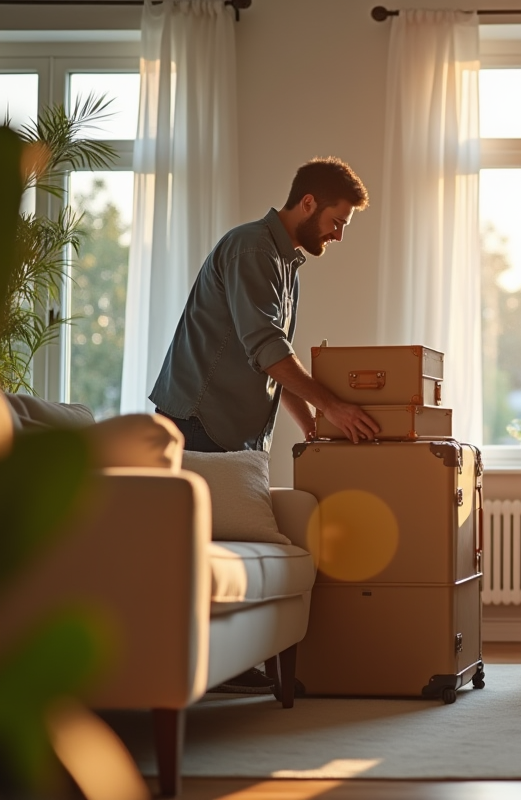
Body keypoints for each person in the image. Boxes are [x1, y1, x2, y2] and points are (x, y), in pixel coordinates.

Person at [150, 157, 381, 691]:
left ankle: (225, 665)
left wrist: (309, 423)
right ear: (307, 203)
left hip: (231, 429)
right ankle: (187, 668)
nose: (339, 234)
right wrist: (334, 409)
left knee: (212, 547)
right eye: (337, 220)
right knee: (191, 557)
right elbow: (269, 350)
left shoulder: (284, 261)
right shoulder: (253, 248)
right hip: (199, 421)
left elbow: (277, 363)